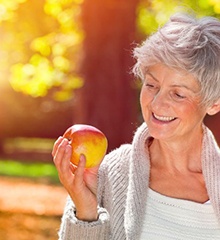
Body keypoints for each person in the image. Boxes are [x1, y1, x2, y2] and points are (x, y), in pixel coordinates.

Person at [52, 12, 220, 240]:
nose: (157, 103)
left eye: (178, 94)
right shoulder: (108, 174)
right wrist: (87, 212)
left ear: (214, 103)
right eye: (151, 84)